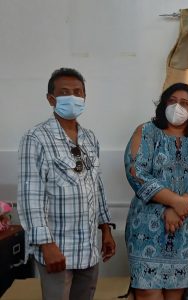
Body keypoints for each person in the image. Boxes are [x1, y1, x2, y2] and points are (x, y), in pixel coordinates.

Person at [17, 67, 116, 300]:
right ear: (51, 99)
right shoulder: (36, 138)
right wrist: (45, 244)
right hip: (58, 250)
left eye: (78, 92)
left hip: (88, 250)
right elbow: (30, 197)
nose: (73, 97)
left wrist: (106, 229)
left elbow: (97, 185)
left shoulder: (90, 138)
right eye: (65, 92)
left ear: (84, 97)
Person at [124, 82, 188, 300]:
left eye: (184, 103)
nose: (178, 107)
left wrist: (180, 206)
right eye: (172, 101)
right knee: (147, 292)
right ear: (163, 104)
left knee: (175, 293)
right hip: (145, 229)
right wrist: (174, 201)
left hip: (187, 229)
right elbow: (135, 171)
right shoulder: (146, 132)